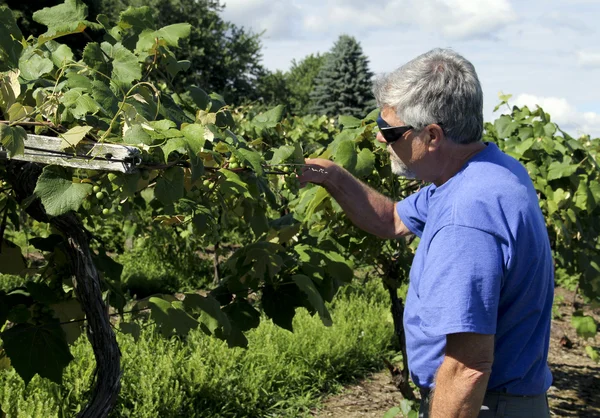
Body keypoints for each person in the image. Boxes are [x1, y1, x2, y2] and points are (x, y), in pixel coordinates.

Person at [298, 48, 554, 418]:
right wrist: (332, 176)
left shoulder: (465, 214)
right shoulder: (489, 170)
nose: (382, 140)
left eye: (390, 130)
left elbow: (467, 367)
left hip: (482, 406)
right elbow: (391, 220)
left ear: (432, 135)